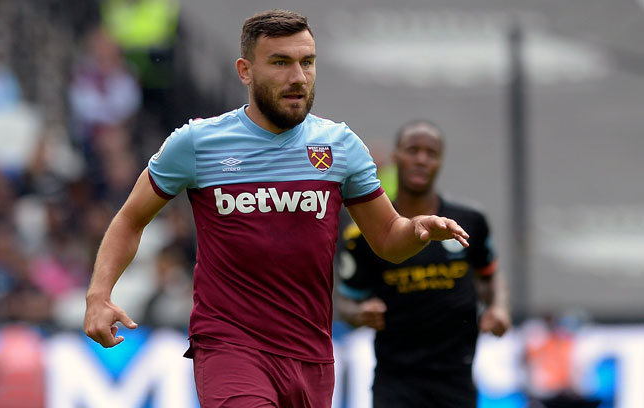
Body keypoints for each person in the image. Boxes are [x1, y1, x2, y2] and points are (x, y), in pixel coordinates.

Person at [83, 10, 470, 408]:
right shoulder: (198, 143)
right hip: (230, 345)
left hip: (311, 354)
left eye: (307, 62)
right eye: (281, 63)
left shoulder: (340, 146)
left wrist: (417, 230)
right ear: (245, 71)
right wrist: (99, 295)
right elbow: (131, 218)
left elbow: (388, 238)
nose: (298, 77)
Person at [337, 120, 511, 408]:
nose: (421, 159)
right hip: (396, 381)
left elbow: (490, 275)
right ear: (395, 158)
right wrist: (360, 312)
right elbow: (346, 303)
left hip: (456, 379)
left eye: (431, 153)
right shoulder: (367, 230)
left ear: (440, 161)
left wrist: (500, 308)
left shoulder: (470, 221)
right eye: (412, 150)